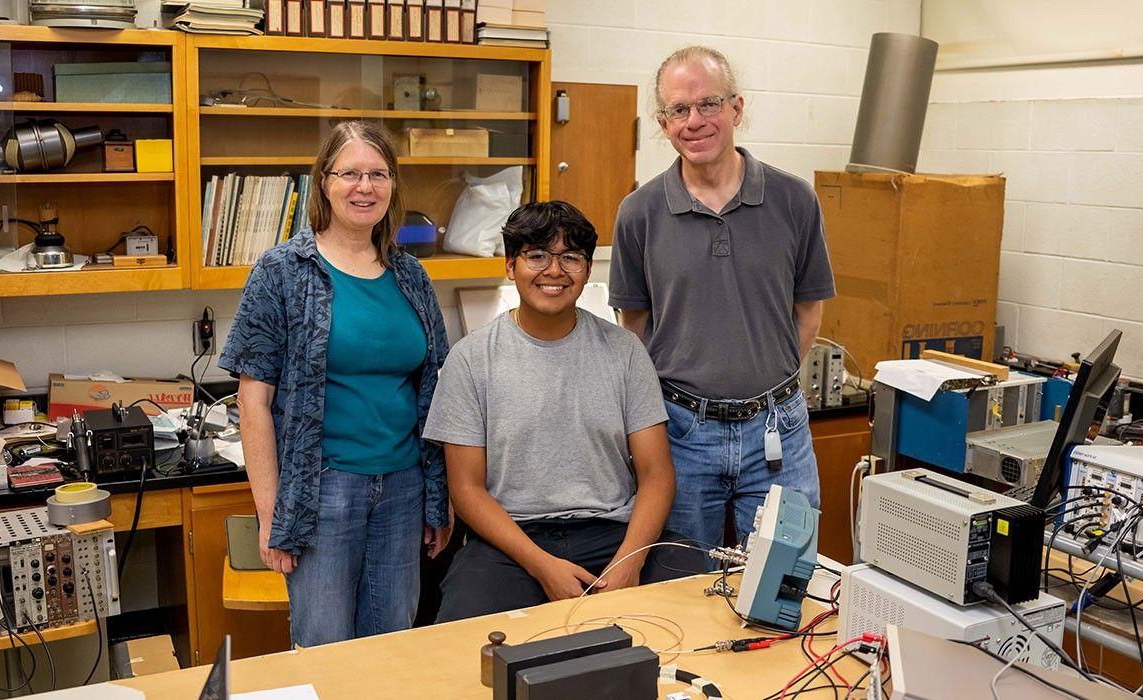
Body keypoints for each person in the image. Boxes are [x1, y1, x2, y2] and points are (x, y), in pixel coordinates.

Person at [219, 120, 452, 647]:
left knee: (391, 649)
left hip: (402, 489)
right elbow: (253, 403)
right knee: (323, 651)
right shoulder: (282, 271)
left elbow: (435, 390)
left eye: (378, 174)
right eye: (350, 173)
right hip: (321, 494)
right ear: (324, 182)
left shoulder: (411, 275)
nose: (364, 187)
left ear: (393, 186)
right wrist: (272, 513)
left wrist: (437, 496)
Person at [424, 200, 706, 622]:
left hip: (614, 532)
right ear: (510, 265)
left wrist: (628, 563)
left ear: (588, 270)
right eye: (536, 255)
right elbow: (467, 490)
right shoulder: (470, 360)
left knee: (697, 601)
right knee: (461, 633)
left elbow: (656, 473)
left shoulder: (625, 352)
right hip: (513, 542)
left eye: (570, 258)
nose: (553, 271)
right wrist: (543, 567)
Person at [609, 46, 836, 550]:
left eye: (708, 104)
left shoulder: (795, 200)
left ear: (737, 108)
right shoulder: (639, 213)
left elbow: (808, 312)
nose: (694, 121)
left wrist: (762, 391)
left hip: (780, 431)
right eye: (678, 110)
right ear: (663, 123)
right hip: (680, 436)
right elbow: (636, 329)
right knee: (679, 591)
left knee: (785, 585)